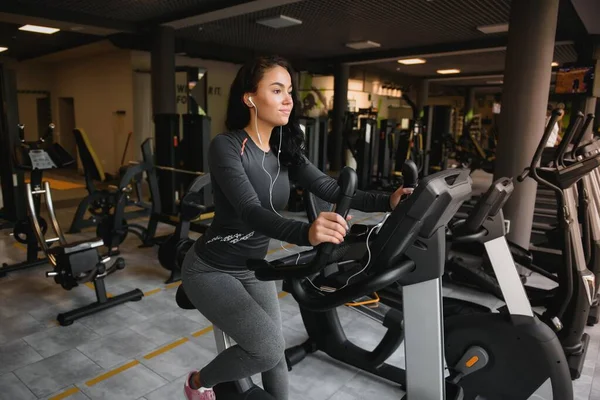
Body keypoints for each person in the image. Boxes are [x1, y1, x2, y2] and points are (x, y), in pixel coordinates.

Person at [181, 55, 413, 400]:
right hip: (210, 268)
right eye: (277, 90)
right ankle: (198, 383)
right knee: (266, 348)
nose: (289, 99)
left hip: (250, 268)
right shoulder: (227, 146)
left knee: (274, 357)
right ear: (250, 98)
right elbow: (249, 210)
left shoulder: (285, 150)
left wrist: (388, 201)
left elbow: (333, 189)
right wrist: (305, 232)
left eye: (289, 90)